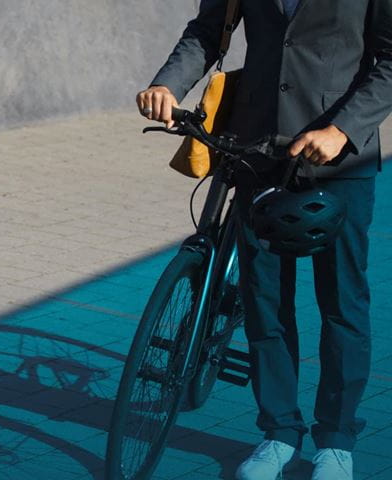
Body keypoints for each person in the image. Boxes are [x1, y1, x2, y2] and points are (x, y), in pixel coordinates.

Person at [136, 1, 392, 479]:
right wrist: (167, 84)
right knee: (264, 300)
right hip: (256, 149)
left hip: (338, 159)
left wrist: (343, 129)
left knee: (342, 302)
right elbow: (207, 30)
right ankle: (278, 433)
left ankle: (336, 442)